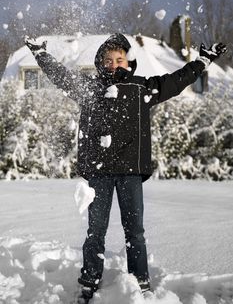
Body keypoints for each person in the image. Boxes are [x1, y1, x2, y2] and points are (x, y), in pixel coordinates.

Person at [25, 34, 226, 303]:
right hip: (99, 171)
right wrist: (40, 55)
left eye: (119, 59)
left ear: (128, 62)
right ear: (100, 63)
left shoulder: (141, 88)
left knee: (135, 232)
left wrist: (202, 60)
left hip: (131, 171)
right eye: (108, 60)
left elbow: (177, 81)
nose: (113, 64)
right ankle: (89, 281)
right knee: (95, 232)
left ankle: (140, 281)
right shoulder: (90, 88)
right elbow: (62, 76)